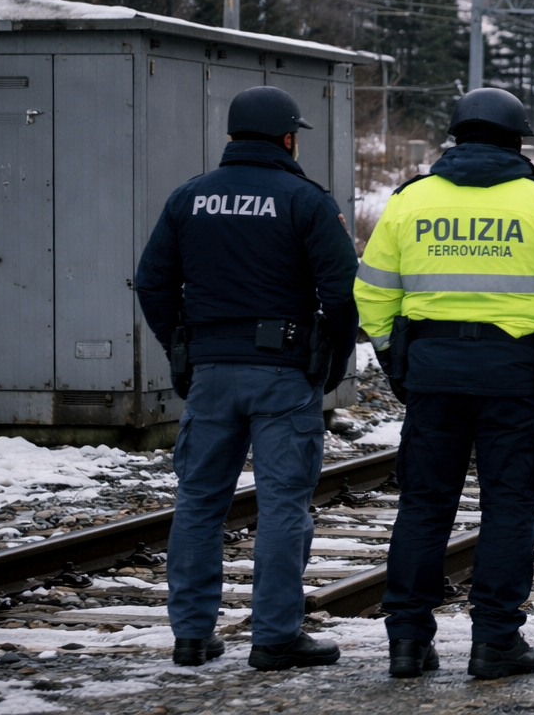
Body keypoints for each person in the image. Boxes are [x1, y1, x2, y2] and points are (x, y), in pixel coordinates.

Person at [355, 87, 534, 680]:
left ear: (455, 136)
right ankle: (495, 642)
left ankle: (407, 642)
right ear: (518, 140)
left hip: (433, 374)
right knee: (508, 506)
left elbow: (372, 291)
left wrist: (395, 360)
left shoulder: (410, 201)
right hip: (515, 377)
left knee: (423, 504)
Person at [136, 86, 360, 671]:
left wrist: (182, 349)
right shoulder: (306, 200)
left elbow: (153, 282)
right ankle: (275, 638)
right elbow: (341, 293)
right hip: (283, 374)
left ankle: (191, 636)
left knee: (198, 502)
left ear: (233, 135)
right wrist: (333, 361)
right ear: (287, 138)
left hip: (210, 374)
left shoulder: (190, 197)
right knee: (283, 505)